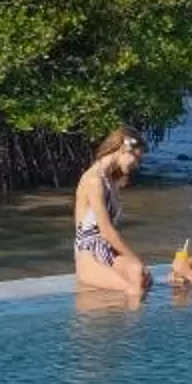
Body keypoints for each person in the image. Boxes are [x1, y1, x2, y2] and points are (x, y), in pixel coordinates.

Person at [70, 126, 150, 301]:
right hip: (89, 253)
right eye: (136, 157)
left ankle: (130, 324)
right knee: (134, 288)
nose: (136, 164)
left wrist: (137, 265)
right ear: (123, 148)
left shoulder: (111, 180)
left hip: (107, 251)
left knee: (141, 276)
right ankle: (136, 327)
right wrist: (135, 259)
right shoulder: (94, 180)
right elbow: (106, 231)